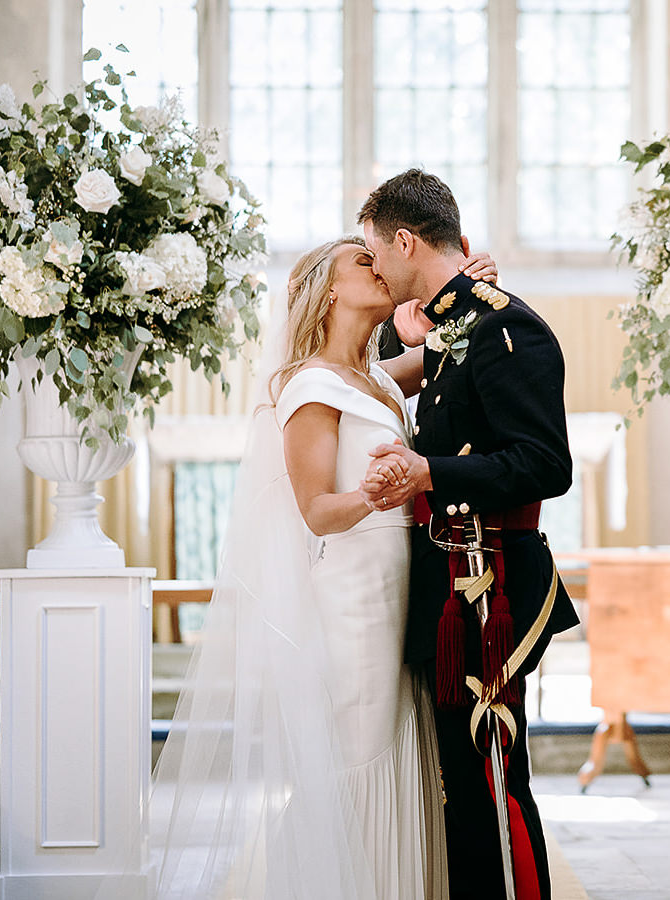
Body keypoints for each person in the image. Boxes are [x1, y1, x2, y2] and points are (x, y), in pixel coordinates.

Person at [131, 234, 498, 900]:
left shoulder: (379, 377)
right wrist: (376, 493)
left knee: (395, 743)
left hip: (399, 595)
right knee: (359, 753)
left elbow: (452, 352)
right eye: (364, 261)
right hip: (351, 602)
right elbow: (316, 511)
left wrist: (464, 293)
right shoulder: (310, 384)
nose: (380, 267)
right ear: (328, 291)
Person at [358, 169, 580, 900]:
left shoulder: (504, 326)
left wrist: (430, 474)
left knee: (491, 781)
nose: (376, 268)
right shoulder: (457, 325)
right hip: (454, 583)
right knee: (463, 782)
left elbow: (546, 465)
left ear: (404, 239)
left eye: (376, 252)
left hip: (493, 594)